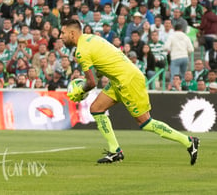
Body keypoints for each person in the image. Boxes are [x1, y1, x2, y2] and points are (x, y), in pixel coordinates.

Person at [60, 19, 199, 165]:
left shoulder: (81, 51)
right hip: (119, 79)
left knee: (146, 123)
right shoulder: (91, 38)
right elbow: (101, 67)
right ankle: (115, 151)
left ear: (72, 33)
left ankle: (189, 142)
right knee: (96, 108)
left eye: (63, 33)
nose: (61, 37)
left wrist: (80, 91)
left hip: (128, 80)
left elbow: (92, 83)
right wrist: (86, 81)